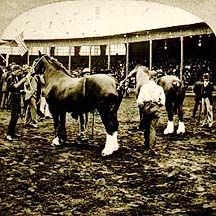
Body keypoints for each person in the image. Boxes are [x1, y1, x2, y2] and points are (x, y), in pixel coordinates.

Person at [136, 79, 165, 150]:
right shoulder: (159, 88)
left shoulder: (144, 87)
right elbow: (163, 101)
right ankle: (151, 146)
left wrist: (143, 108)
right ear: (155, 79)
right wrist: (157, 106)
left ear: (149, 79)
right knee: (152, 128)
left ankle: (146, 144)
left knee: (146, 127)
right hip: (155, 107)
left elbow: (139, 101)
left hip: (146, 107)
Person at [6, 65, 30, 141]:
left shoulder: (16, 77)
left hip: (17, 98)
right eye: (19, 71)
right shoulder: (10, 78)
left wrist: (22, 91)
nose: (20, 72)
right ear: (15, 70)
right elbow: (14, 87)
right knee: (14, 116)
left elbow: (16, 89)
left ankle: (12, 132)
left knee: (16, 116)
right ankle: (9, 134)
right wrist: (22, 81)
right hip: (13, 100)